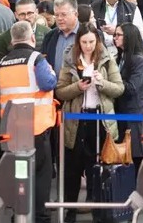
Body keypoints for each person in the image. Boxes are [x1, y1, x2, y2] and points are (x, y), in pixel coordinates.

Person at [55, 23, 124, 221]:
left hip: (100, 121)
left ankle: (99, 213)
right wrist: (77, 87)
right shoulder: (69, 59)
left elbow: (119, 89)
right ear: (78, 42)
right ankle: (69, 212)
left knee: (98, 170)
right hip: (76, 122)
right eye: (84, 42)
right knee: (72, 170)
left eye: (91, 42)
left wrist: (101, 83)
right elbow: (60, 91)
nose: (88, 46)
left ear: (98, 41)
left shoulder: (107, 59)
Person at [0, 21, 58, 223]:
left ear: (12, 40)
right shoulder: (36, 59)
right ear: (32, 37)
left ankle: (19, 214)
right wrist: (53, 73)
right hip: (36, 126)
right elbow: (48, 83)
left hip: (11, 128)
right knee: (40, 174)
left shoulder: (2, 63)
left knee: (19, 174)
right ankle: (40, 216)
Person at [113, 23, 143, 168]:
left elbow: (132, 87)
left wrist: (113, 83)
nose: (115, 38)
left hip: (136, 112)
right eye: (114, 35)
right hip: (123, 111)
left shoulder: (138, 59)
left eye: (118, 35)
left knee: (137, 156)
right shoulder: (120, 57)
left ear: (129, 37)